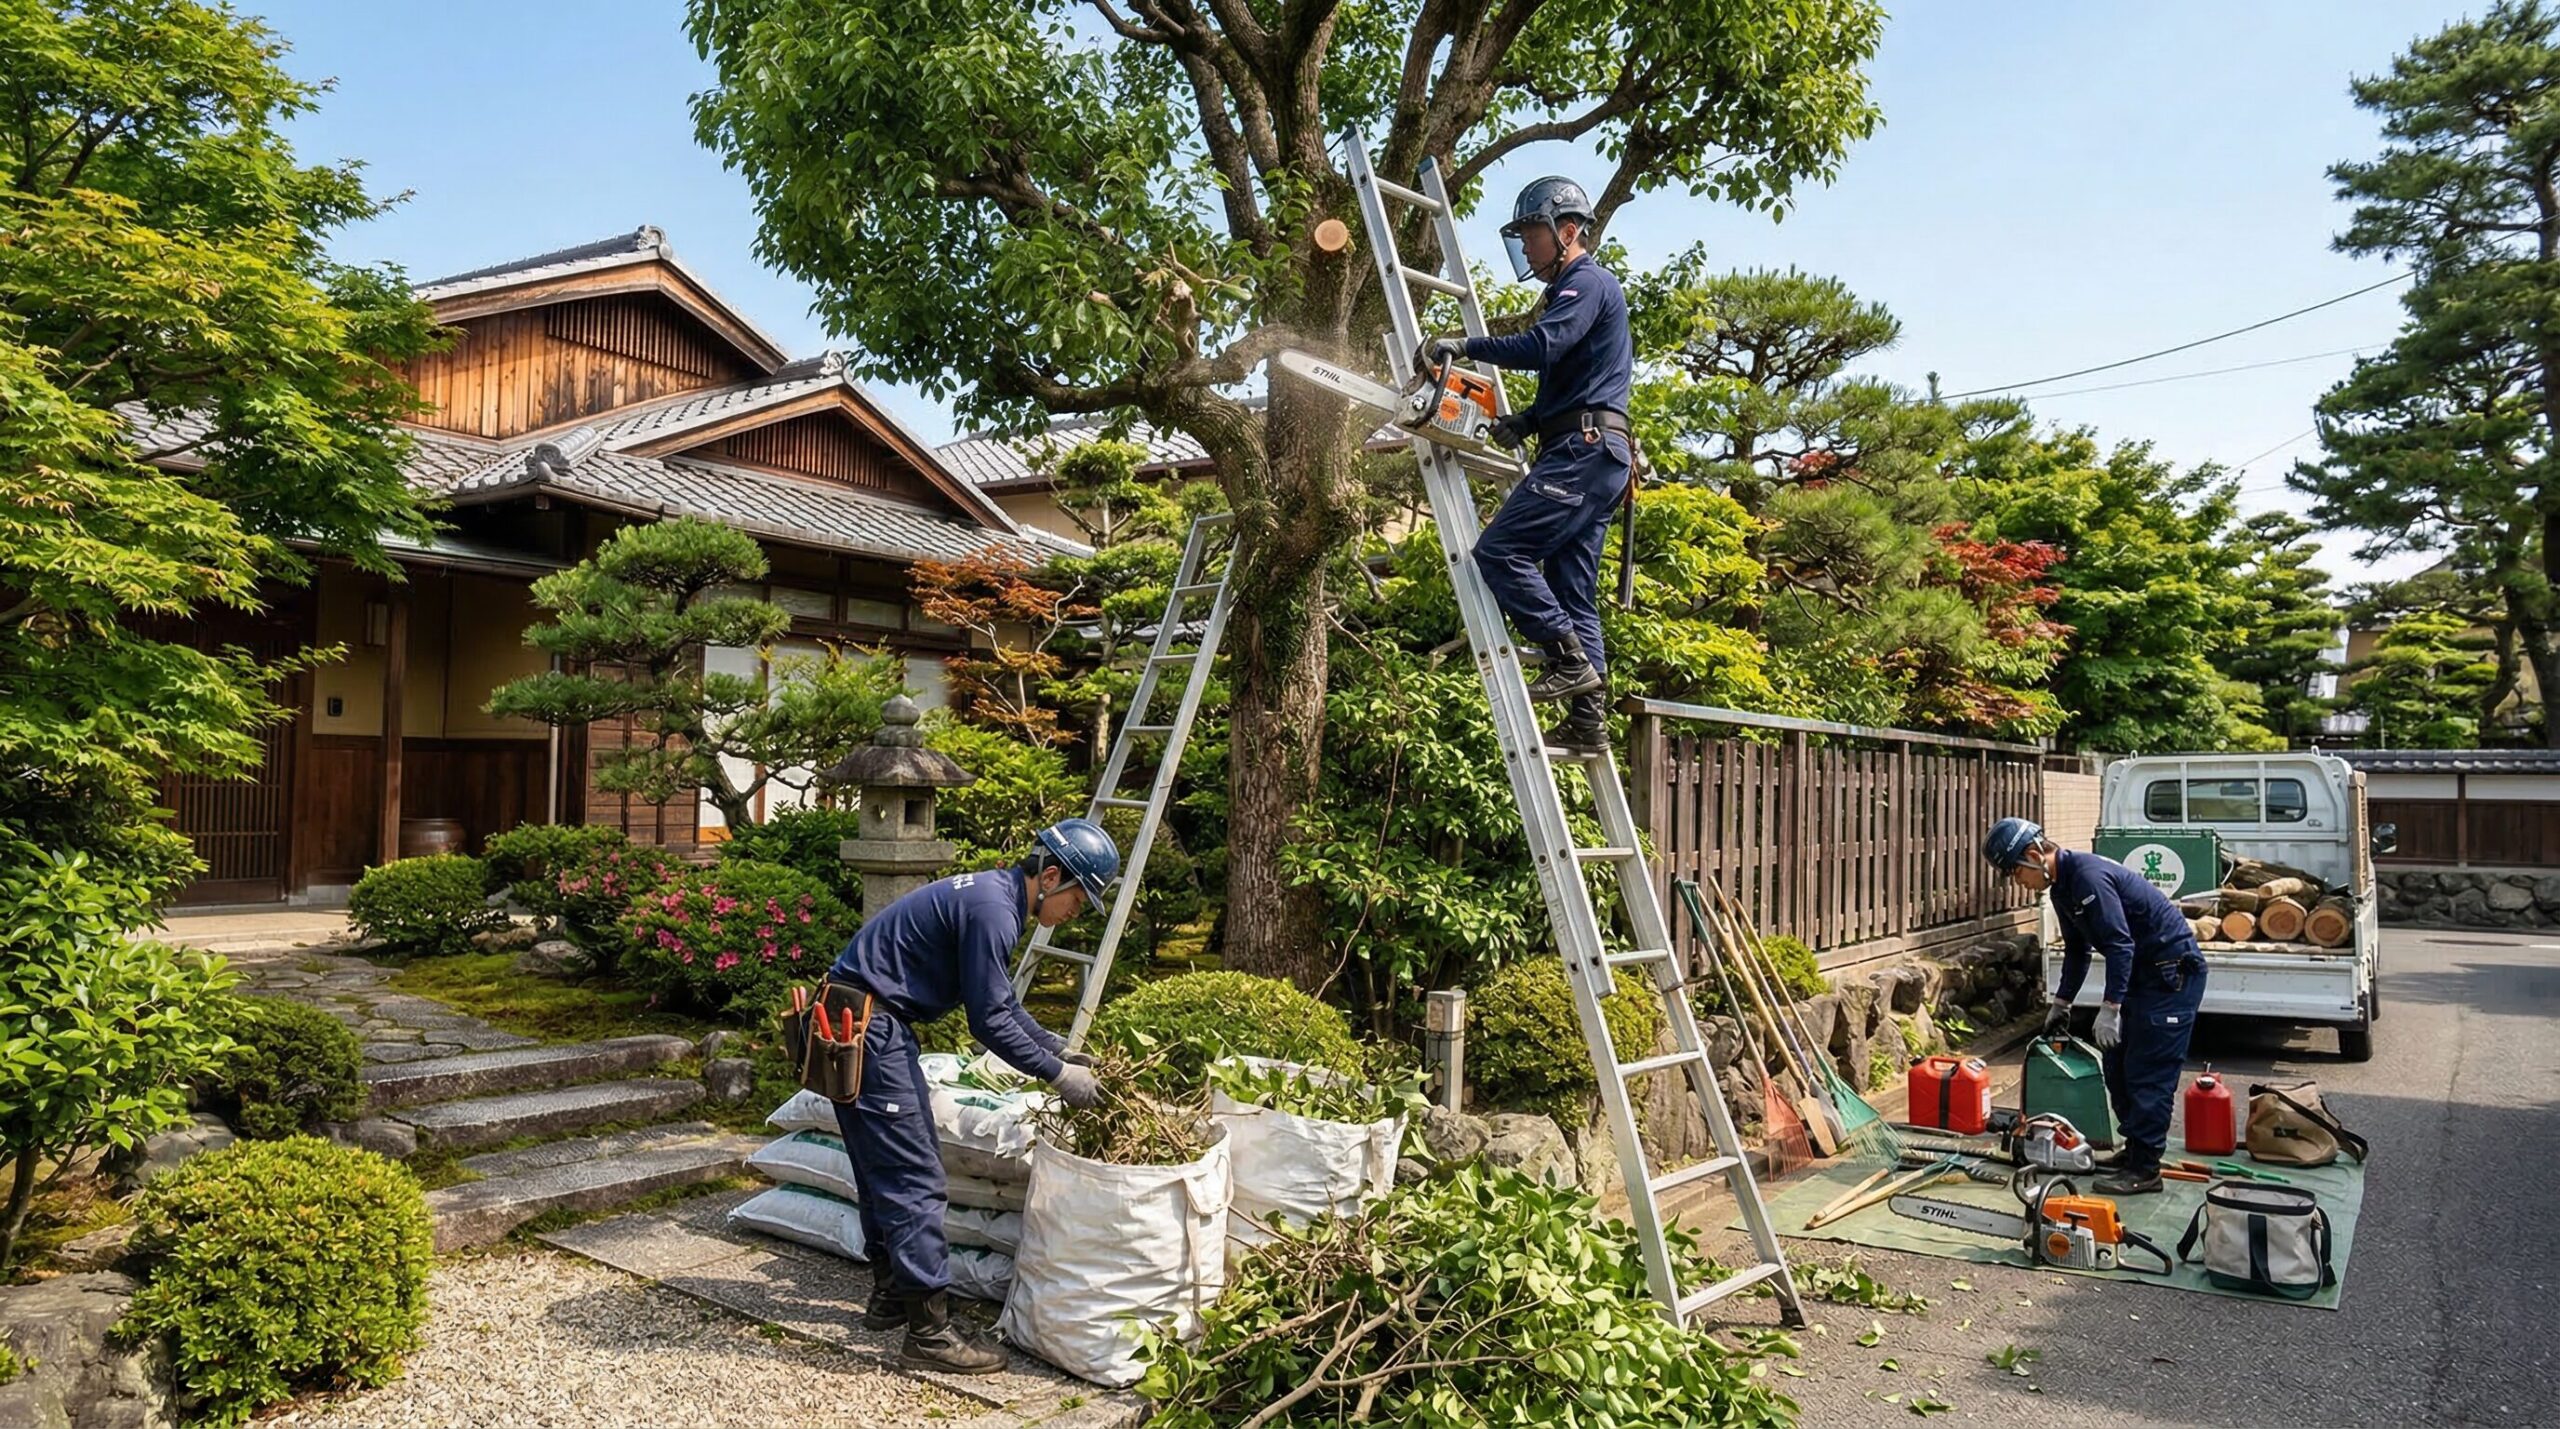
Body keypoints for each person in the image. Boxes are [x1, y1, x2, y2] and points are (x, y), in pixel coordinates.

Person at [821, 817, 1119, 1373]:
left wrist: (1056, 1046)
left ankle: (891, 1294)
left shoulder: (992, 896)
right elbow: (988, 1023)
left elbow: (1001, 1003)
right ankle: (929, 1335)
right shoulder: (994, 912)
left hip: (864, 1021)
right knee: (915, 1177)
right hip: (870, 1027)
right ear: (1051, 876)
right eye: (1079, 901)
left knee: (883, 1167)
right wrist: (1058, 1075)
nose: (1075, 916)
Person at [1415, 175, 1635, 754]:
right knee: (1572, 592)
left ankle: (1566, 659)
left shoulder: (1584, 282)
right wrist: (1530, 422)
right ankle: (1590, 721)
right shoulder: (1580, 290)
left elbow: (1544, 347)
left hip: (1584, 453)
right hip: (1595, 451)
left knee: (1499, 552)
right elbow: (1578, 382)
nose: (1527, 248)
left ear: (1567, 231)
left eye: (1532, 234)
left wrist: (1467, 345)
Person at [1980, 816, 2207, 1195]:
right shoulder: (2061, 890)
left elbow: (2120, 944)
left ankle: (2146, 1168)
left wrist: (2111, 1008)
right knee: (2117, 1066)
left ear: (2036, 855)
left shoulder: (2087, 876)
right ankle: (2133, 1151)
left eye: (2016, 871)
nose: (2018, 882)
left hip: (2170, 975)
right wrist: (2062, 1003)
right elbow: (2077, 950)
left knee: (2147, 1072)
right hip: (2141, 974)